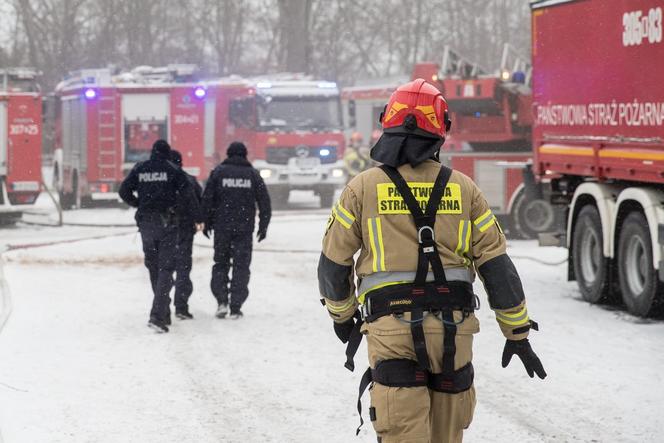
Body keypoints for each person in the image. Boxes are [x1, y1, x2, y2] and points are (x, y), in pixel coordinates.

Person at [317, 79, 546, 442]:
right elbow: (497, 268)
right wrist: (516, 332)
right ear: (441, 129)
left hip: (391, 330)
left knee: (403, 432)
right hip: (454, 331)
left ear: (387, 124)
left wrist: (343, 317)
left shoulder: (361, 189)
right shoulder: (464, 188)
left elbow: (333, 264)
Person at [119, 140, 203, 333]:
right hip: (167, 223)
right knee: (166, 268)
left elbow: (123, 191)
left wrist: (139, 203)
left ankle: (163, 310)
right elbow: (189, 194)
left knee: (154, 267)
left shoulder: (140, 168)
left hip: (146, 224)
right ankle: (157, 315)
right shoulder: (173, 169)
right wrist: (198, 217)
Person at [202, 141, 271, 319]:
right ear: (245, 154)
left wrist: (207, 222)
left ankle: (222, 301)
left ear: (228, 154)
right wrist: (263, 227)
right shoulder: (252, 175)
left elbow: (207, 199)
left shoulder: (218, 173)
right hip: (244, 229)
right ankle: (236, 306)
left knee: (220, 264)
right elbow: (265, 203)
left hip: (222, 228)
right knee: (241, 266)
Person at [169, 149, 203, 320]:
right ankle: (181, 306)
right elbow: (198, 201)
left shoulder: (163, 180)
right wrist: (200, 220)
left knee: (164, 269)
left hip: (164, 230)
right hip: (184, 230)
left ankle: (162, 305)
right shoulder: (188, 179)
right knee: (183, 269)